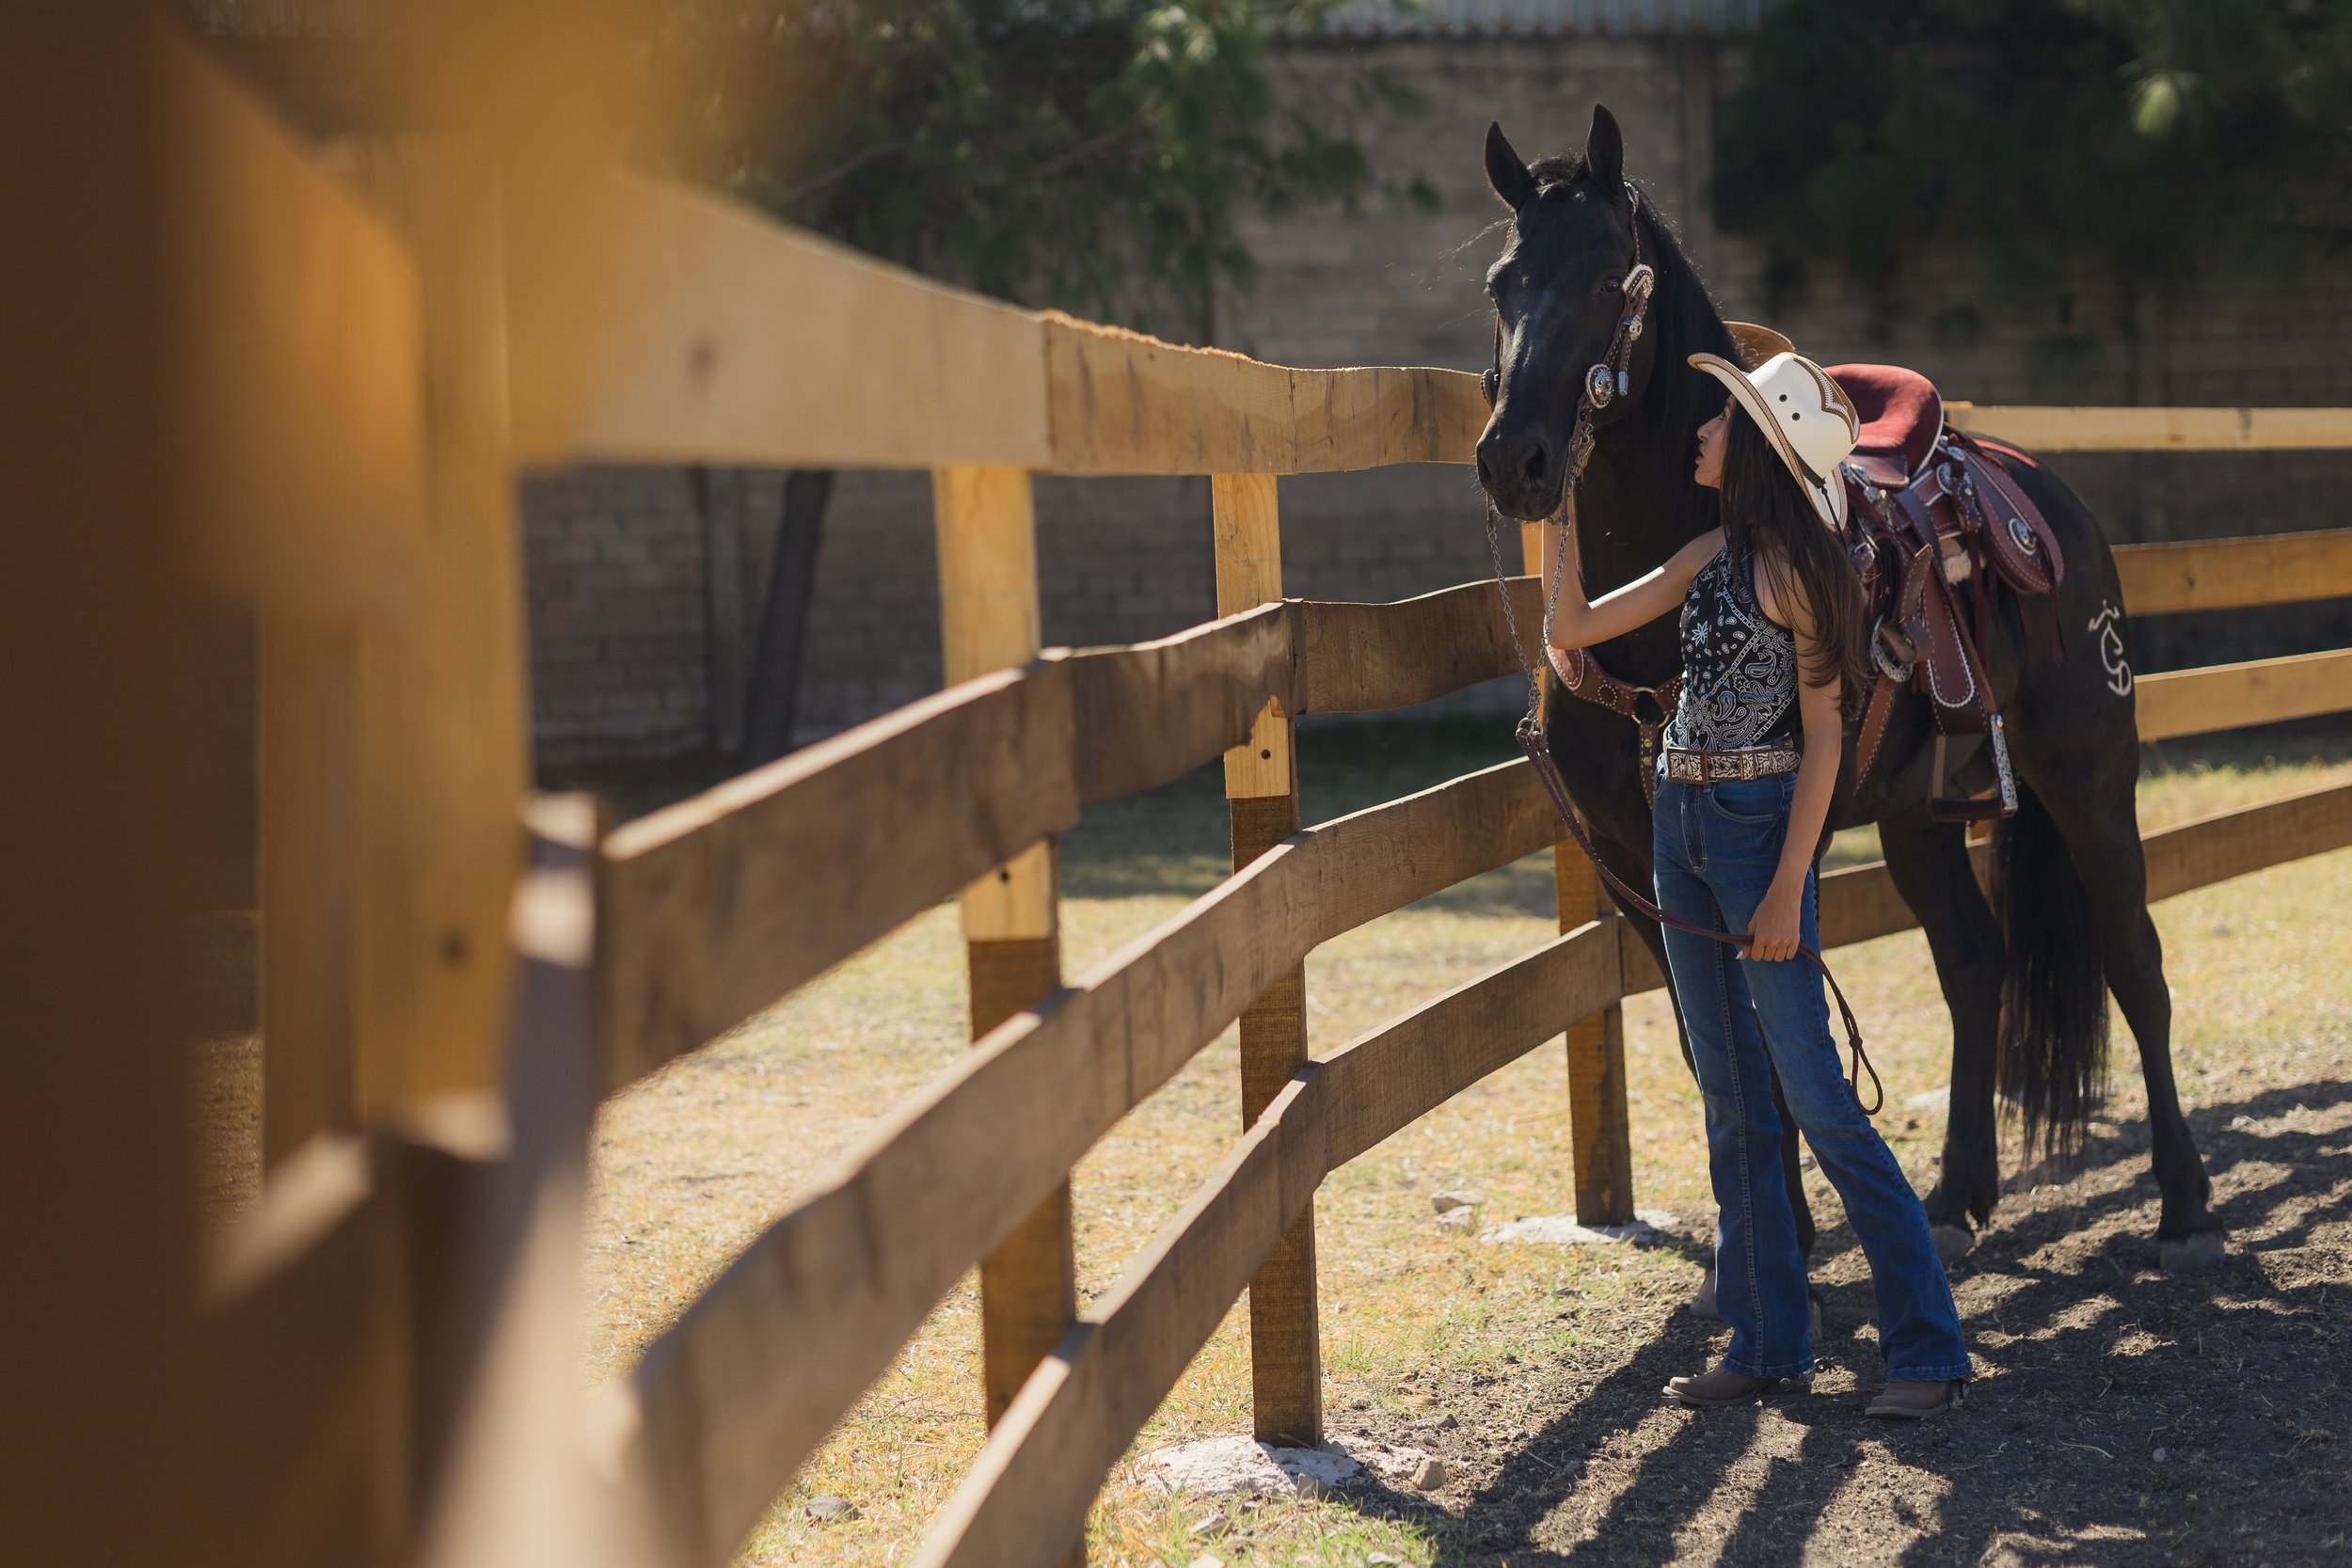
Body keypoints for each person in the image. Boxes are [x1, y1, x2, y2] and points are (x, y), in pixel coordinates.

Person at [1540, 341, 1972, 1420]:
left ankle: (1926, 1348)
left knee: (1818, 1100)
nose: (1700, 427)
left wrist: (1787, 889)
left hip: (1752, 829)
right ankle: (1769, 1337)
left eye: (1721, 417)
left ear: (1764, 448)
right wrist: (1551, 511)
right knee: (1732, 1097)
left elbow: (1823, 743)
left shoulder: (1801, 571)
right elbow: (1574, 631)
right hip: (1680, 819)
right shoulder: (1710, 548)